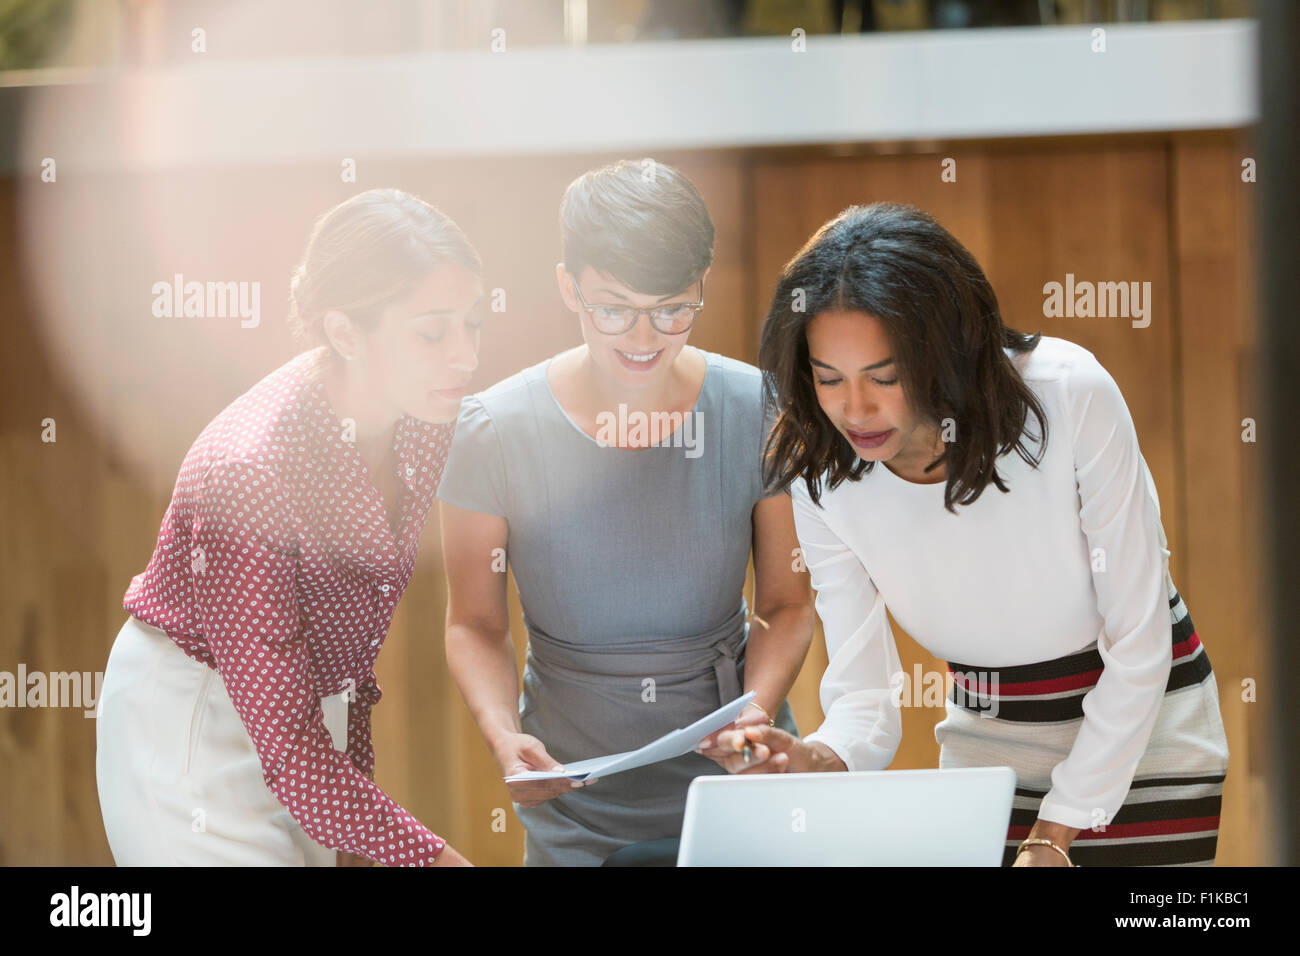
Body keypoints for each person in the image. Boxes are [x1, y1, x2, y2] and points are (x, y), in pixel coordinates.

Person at [719, 202, 1230, 867]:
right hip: (991, 743)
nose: (856, 409)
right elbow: (865, 697)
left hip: (1149, 731)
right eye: (828, 380)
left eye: (886, 377)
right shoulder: (822, 476)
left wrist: (1056, 834)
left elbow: (1139, 642)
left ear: (946, 353)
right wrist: (813, 758)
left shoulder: (1068, 397)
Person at [436, 159, 814, 866]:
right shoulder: (494, 430)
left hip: (735, 780)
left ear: (703, 285)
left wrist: (756, 710)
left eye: (673, 308)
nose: (644, 339)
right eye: (614, 309)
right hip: (575, 799)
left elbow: (788, 605)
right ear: (567, 287)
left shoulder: (752, 407)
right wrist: (499, 733)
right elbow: (474, 622)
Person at [96, 188, 480, 867]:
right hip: (194, 730)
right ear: (344, 333)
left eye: (470, 324)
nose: (465, 356)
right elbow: (294, 758)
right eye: (433, 331)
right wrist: (440, 861)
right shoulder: (249, 473)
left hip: (309, 725)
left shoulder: (427, 407)